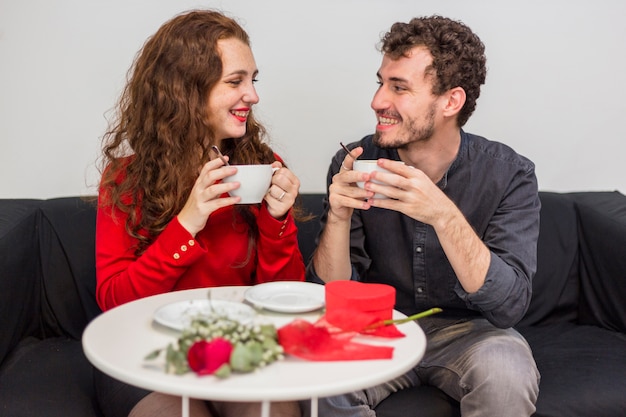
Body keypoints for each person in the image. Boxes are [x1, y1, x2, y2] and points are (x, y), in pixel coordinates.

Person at [304, 15, 541, 417]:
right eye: (381, 83)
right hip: (378, 328)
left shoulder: (509, 174)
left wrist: (443, 215)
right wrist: (339, 217)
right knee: (320, 375)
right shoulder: (356, 163)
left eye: (399, 88)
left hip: (473, 333)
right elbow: (330, 298)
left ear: (451, 101)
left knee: (506, 373)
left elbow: (509, 306)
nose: (378, 101)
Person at [94, 9, 303, 417]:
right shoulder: (125, 179)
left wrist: (277, 224)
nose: (253, 96)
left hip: (236, 345)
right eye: (235, 82)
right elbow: (114, 302)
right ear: (186, 90)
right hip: (146, 350)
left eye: (253, 80)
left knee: (273, 409)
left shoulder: (261, 167)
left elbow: (283, 298)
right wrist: (188, 222)